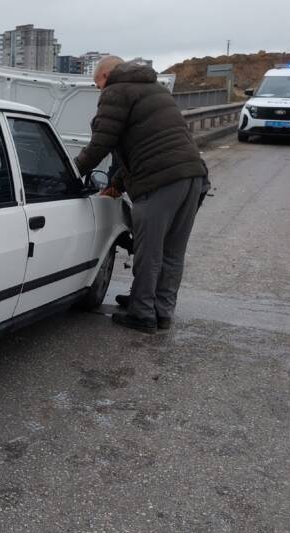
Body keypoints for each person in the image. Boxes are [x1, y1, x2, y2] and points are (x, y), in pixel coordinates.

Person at [75, 56, 207, 334]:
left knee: (150, 250)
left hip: (159, 182)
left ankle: (142, 313)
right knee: (173, 251)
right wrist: (117, 185)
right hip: (193, 176)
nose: (99, 89)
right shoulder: (155, 88)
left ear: (107, 74)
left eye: (97, 83)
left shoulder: (116, 90)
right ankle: (161, 311)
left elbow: (102, 142)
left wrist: (71, 171)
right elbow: (142, 146)